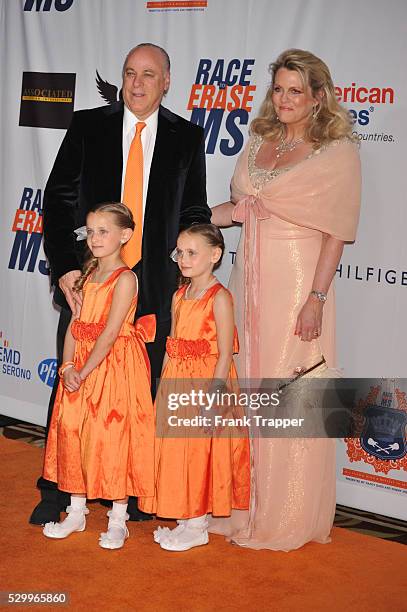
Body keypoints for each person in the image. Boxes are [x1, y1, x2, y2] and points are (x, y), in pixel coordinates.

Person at [30, 43, 211, 525]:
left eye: (148, 75)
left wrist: (196, 270)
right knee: (72, 384)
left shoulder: (187, 138)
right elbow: (58, 199)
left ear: (167, 81)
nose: (136, 83)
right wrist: (68, 266)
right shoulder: (90, 126)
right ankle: (56, 489)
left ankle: (131, 494)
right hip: (89, 283)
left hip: (154, 287)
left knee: (139, 394)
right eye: (130, 73)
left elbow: (194, 209)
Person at [210, 49, 361, 551]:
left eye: (296, 90)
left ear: (319, 96)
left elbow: (336, 232)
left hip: (298, 285)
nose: (285, 99)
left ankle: (290, 515)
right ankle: (247, 506)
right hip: (248, 277)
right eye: (278, 88)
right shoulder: (259, 140)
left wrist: (316, 297)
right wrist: (183, 217)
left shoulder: (337, 152)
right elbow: (238, 208)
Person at [42, 202, 155, 549]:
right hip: (80, 365)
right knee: (75, 432)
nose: (94, 238)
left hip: (113, 367)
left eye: (103, 231)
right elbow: (75, 325)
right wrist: (67, 367)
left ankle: (118, 517)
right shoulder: (87, 275)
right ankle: (76, 511)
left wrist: (85, 370)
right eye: (90, 231)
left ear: (126, 235)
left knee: (112, 437)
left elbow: (108, 333)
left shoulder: (126, 278)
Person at [139, 224, 250, 551]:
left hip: (206, 383)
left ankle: (199, 524)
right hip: (176, 380)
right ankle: (188, 519)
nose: (183, 260)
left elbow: (226, 351)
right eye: (180, 253)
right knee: (179, 451)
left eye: (192, 253)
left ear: (215, 255)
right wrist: (160, 390)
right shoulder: (179, 295)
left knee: (201, 452)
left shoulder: (221, 298)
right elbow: (172, 344)